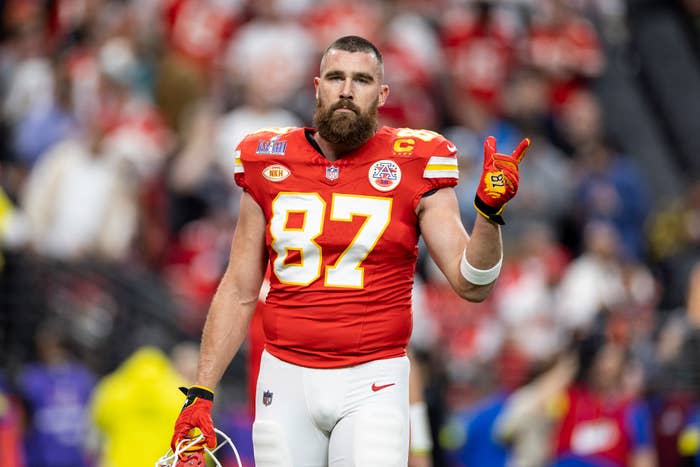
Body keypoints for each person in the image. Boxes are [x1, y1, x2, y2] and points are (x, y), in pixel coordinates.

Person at [170, 35, 529, 466]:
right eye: (336, 77)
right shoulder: (266, 158)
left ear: (382, 94)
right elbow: (239, 288)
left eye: (361, 79)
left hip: (372, 377)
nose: (346, 89)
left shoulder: (418, 159)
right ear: (317, 85)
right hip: (285, 377)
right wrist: (200, 393)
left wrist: (489, 215)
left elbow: (472, 283)